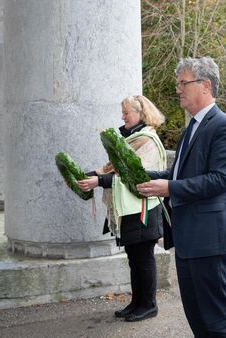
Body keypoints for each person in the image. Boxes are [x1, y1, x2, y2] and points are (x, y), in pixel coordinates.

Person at [136, 57, 226, 337]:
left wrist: (169, 188)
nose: (178, 89)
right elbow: (178, 174)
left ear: (205, 85)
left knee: (217, 320)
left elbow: (222, 180)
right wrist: (144, 176)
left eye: (183, 83)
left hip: (210, 239)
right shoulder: (192, 128)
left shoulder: (224, 126)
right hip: (188, 239)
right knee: (197, 316)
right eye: (178, 84)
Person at [78, 95, 166, 322]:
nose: (122, 116)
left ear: (141, 114)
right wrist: (84, 176)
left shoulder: (147, 141)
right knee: (133, 258)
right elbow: (110, 168)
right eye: (123, 112)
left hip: (144, 209)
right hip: (128, 209)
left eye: (126, 112)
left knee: (143, 258)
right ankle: (137, 302)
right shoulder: (129, 139)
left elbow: (135, 177)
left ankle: (149, 305)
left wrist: (99, 182)